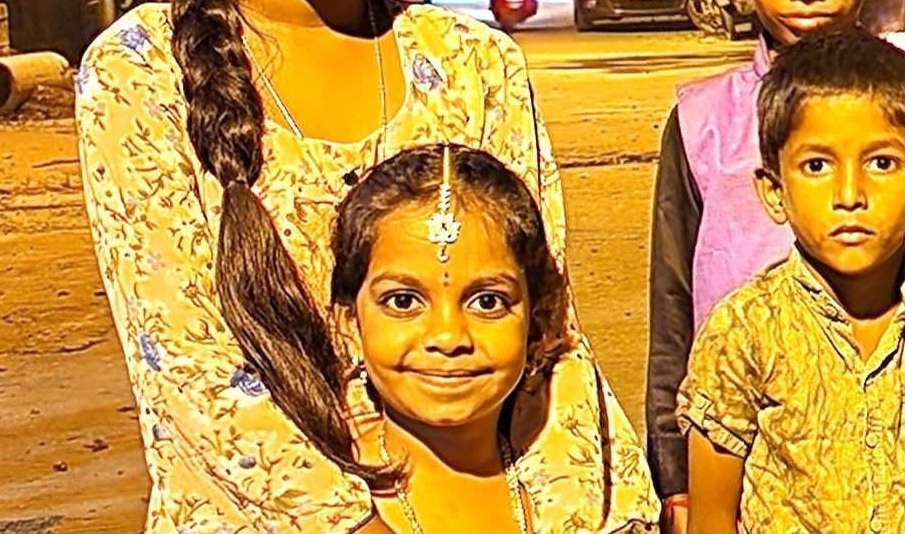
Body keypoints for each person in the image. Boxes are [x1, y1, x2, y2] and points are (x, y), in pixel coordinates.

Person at [74, 0, 647, 533]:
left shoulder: (471, 64)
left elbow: (550, 339)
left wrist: (599, 512)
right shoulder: (142, 74)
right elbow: (200, 380)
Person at [644, 0, 905, 534]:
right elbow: (672, 304)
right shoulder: (701, 123)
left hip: (894, 460)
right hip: (741, 463)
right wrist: (675, 473)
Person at [226, 143, 658, 534]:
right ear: (348, 324)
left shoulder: (584, 504)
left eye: (487, 302)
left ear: (537, 322)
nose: (449, 336)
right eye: (402, 301)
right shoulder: (315, 504)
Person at [678, 29, 905, 534]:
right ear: (774, 190)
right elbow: (711, 520)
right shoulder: (743, 333)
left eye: (882, 163)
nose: (849, 194)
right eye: (816, 165)